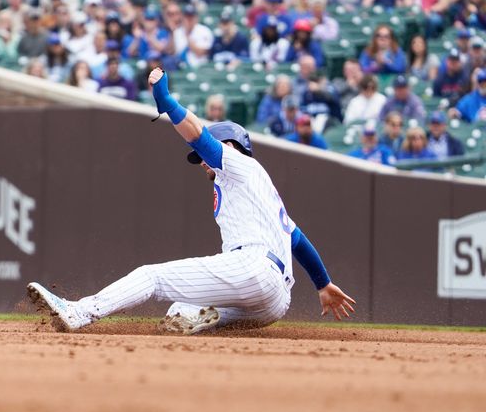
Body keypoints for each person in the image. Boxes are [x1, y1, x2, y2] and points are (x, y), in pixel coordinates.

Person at [28, 67, 355, 334]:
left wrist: (167, 101)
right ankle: (195, 321)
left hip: (253, 267)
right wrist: (323, 284)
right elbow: (298, 240)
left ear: (231, 145)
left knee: (151, 277)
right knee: (179, 312)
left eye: (203, 155)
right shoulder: (259, 188)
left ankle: (81, 312)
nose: (201, 161)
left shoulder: (236, 162)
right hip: (274, 302)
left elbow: (198, 134)